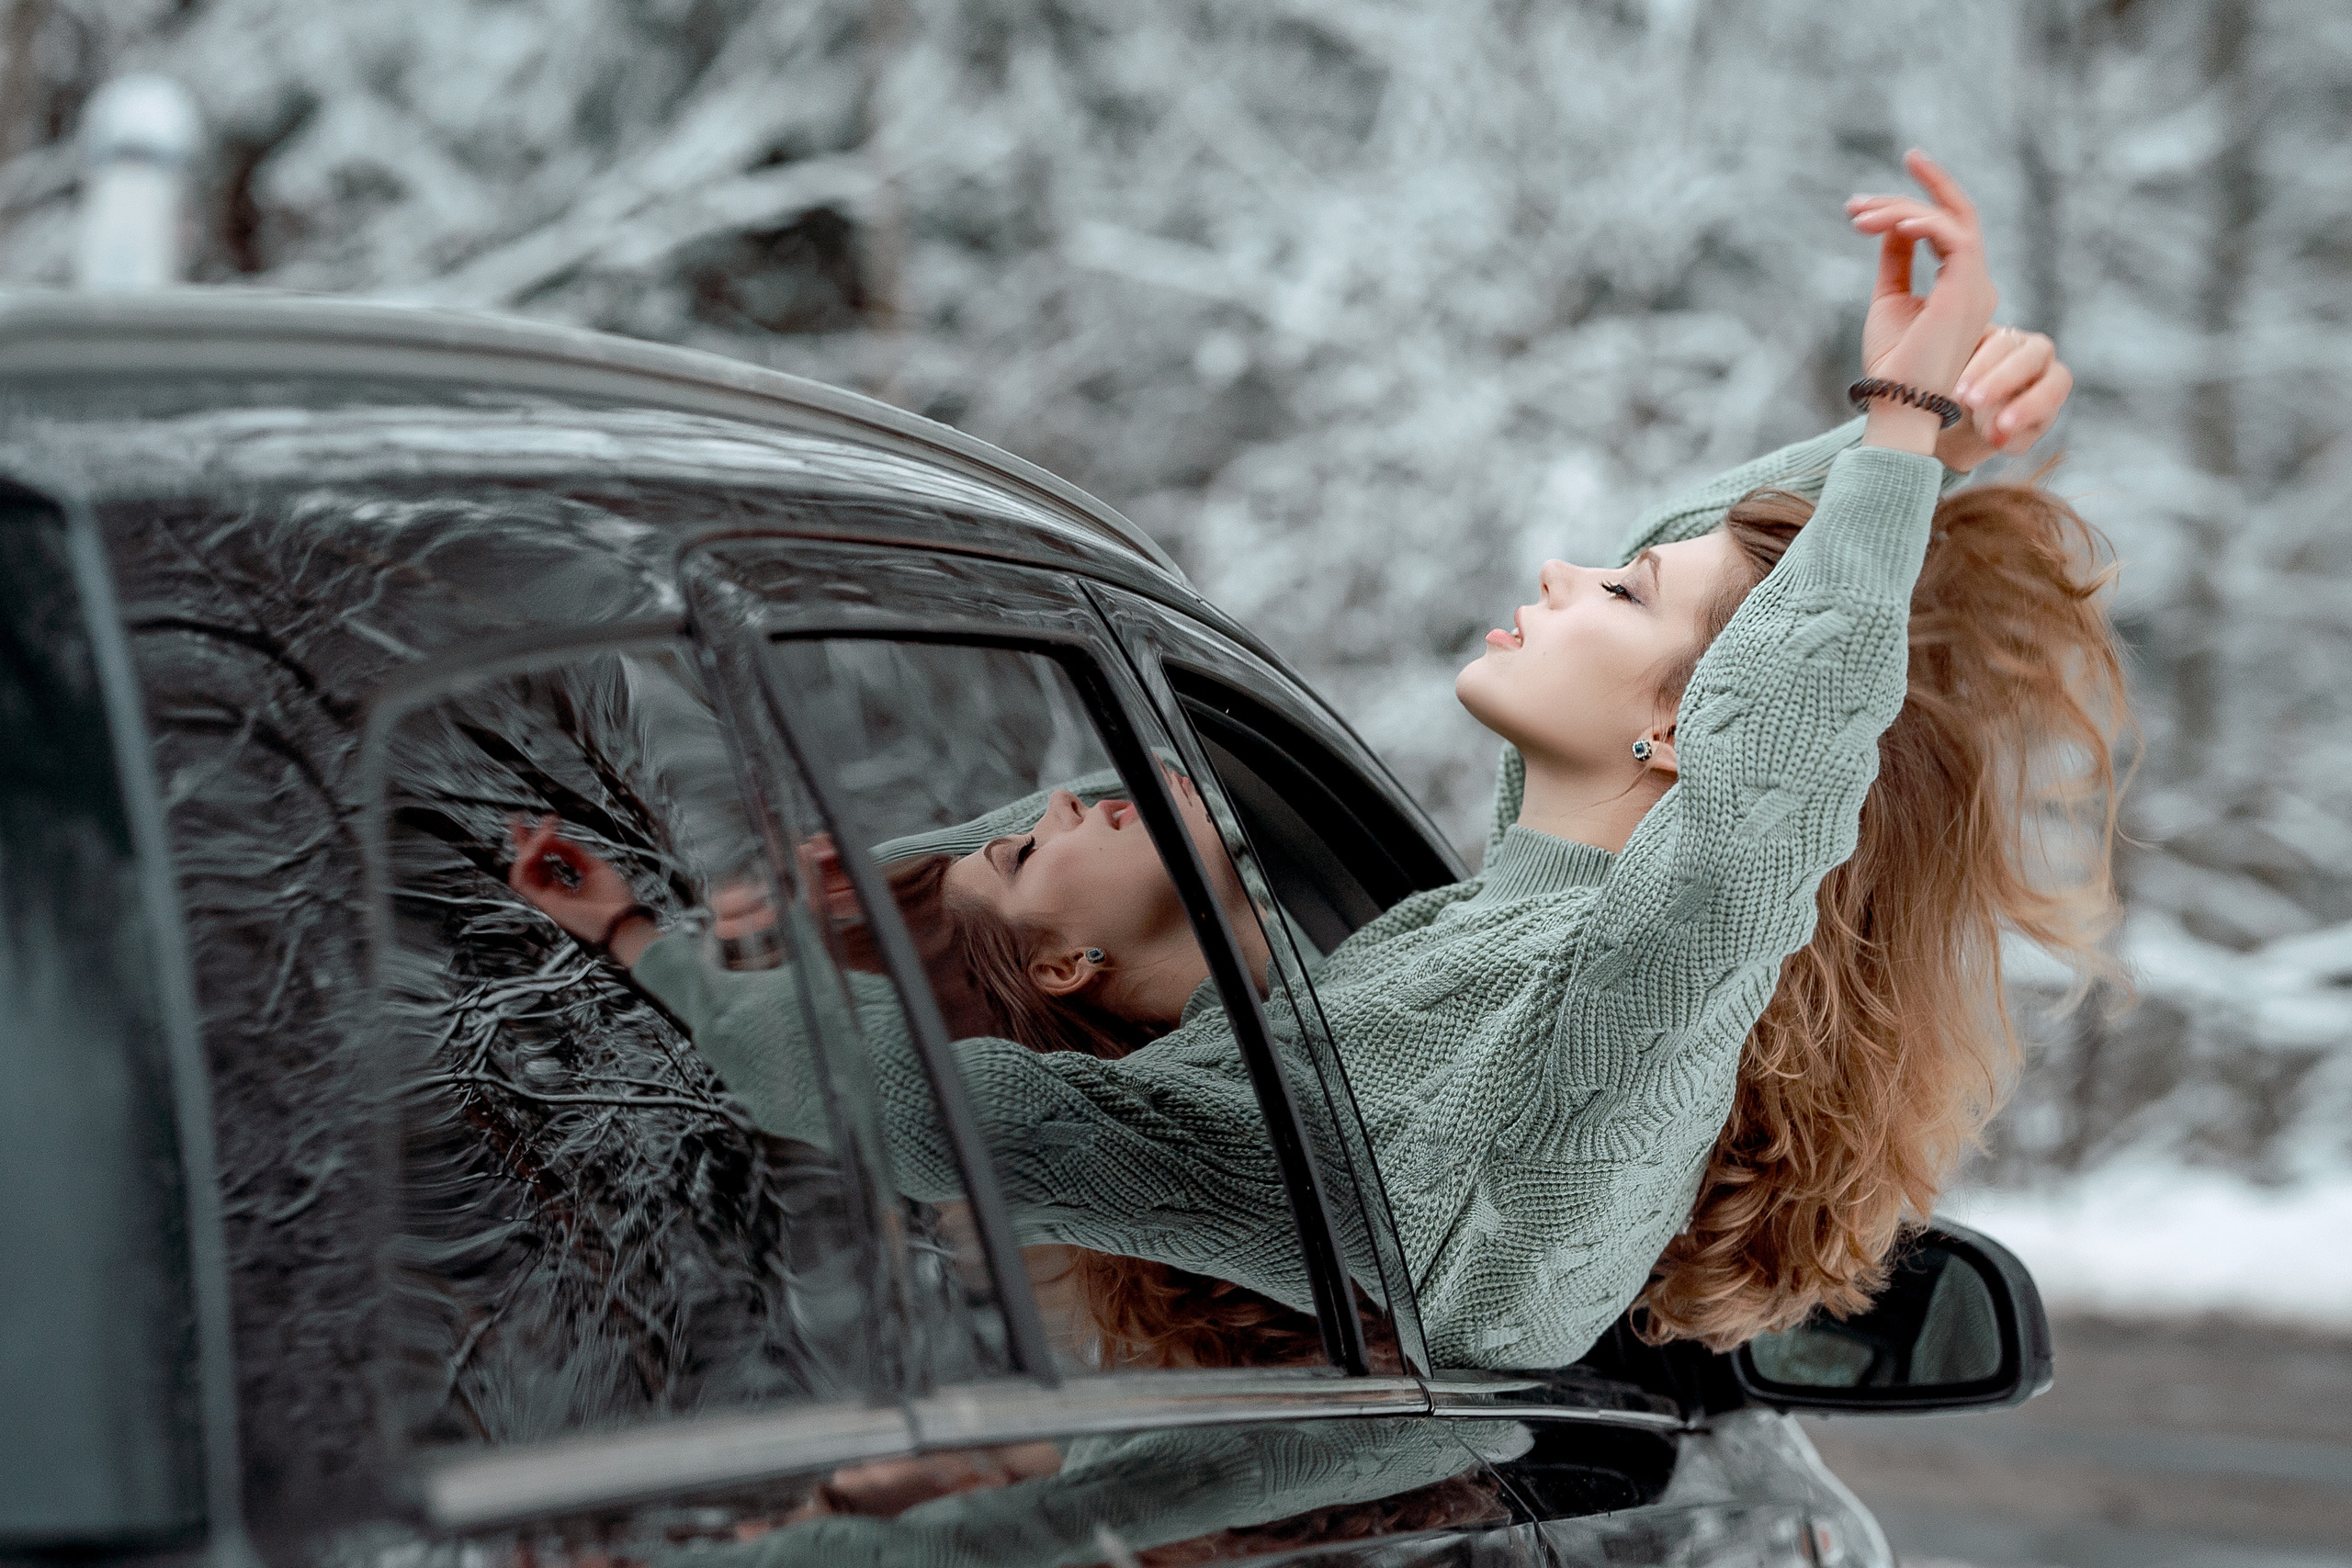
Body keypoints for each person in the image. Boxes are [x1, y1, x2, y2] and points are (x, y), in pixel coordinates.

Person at [510, 151, 2126, 1372]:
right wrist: (1896, 449)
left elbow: (1763, 791)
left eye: (1620, 596)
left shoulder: (1621, 1022)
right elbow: (958, 1111)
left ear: (1682, 734)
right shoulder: (1489, 923)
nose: (1572, 570)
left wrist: (1908, 436)